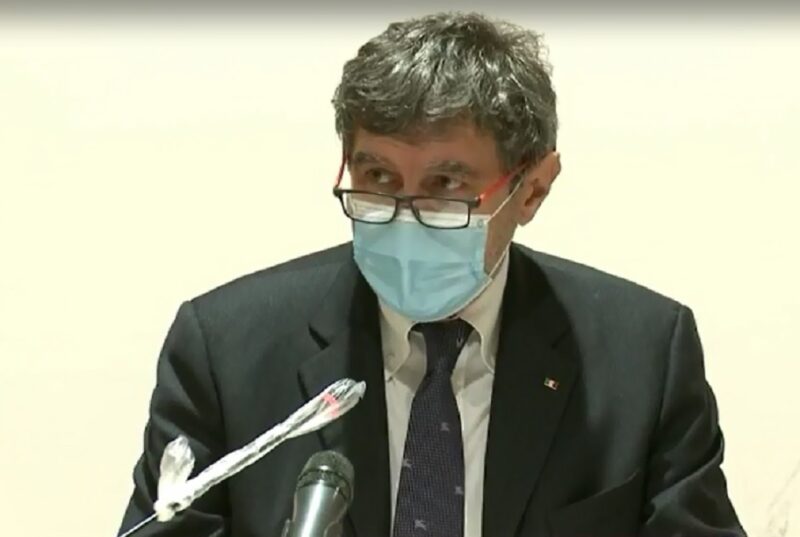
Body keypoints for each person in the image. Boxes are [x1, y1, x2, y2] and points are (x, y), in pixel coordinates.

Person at [118, 11, 746, 537]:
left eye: (446, 185)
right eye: (378, 178)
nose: (404, 217)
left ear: (532, 188)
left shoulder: (642, 358)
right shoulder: (225, 352)